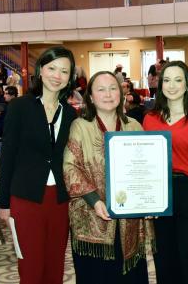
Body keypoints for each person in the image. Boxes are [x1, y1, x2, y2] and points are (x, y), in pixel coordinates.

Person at [0, 46, 78, 284]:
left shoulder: (71, 114)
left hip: (60, 200)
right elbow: (9, 155)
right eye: (52, 68)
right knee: (31, 267)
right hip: (26, 198)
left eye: (64, 71)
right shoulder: (20, 107)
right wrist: (3, 203)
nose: (57, 75)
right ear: (41, 70)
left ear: (69, 77)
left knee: (55, 266)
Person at [63, 71, 154, 284]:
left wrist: (150, 202)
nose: (108, 94)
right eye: (100, 89)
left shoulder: (134, 125)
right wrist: (94, 201)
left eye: (113, 88)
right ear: (91, 97)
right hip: (92, 217)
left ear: (121, 94)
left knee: (131, 277)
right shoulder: (80, 126)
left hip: (129, 220)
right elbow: (70, 168)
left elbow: (147, 169)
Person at [143, 61, 188, 284]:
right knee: (165, 259)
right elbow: (144, 164)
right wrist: (146, 201)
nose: (171, 86)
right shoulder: (150, 120)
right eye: (166, 80)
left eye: (178, 80)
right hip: (160, 195)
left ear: (187, 85)